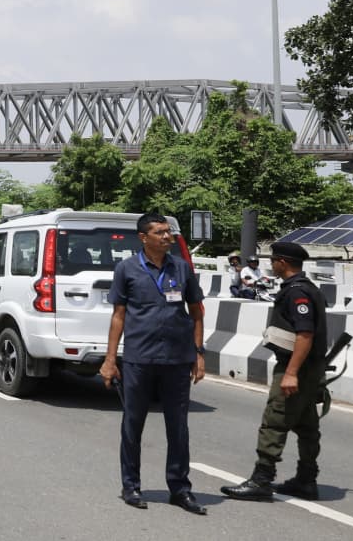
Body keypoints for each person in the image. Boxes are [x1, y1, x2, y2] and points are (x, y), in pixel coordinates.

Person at [99, 212, 207, 515]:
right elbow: (118, 316)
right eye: (160, 232)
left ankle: (180, 488)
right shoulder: (127, 269)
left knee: (179, 427)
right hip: (139, 360)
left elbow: (197, 312)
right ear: (144, 238)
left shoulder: (183, 268)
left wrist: (198, 353)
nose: (167, 237)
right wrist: (110, 360)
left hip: (176, 360)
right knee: (133, 425)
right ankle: (131, 485)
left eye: (168, 232)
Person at [221, 241, 327, 502]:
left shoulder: (297, 292)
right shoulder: (306, 288)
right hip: (310, 369)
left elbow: (304, 334)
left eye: (273, 260)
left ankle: (261, 480)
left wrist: (291, 373)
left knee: (275, 421)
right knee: (306, 425)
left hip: (297, 367)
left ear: (282, 262)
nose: (270, 264)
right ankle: (306, 480)